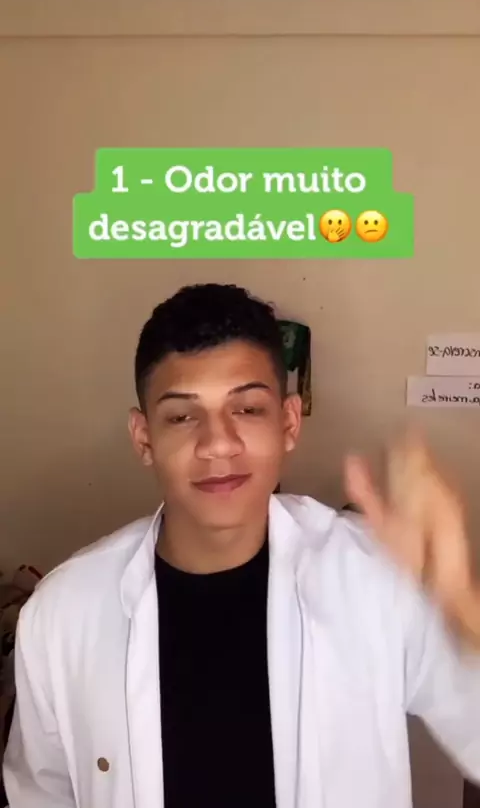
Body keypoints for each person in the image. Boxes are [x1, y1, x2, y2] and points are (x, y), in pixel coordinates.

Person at [3, 282, 480, 808]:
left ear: (288, 422)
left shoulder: (374, 577)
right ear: (144, 438)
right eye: (182, 416)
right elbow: (40, 795)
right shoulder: (63, 614)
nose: (218, 444)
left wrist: (460, 604)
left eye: (248, 409)